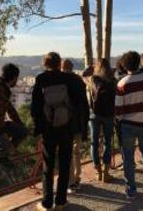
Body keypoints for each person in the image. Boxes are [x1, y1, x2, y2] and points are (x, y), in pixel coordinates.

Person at [32, 52, 81, 211]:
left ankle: (47, 203)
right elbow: (76, 103)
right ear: (59, 63)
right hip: (66, 127)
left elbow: (36, 107)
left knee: (48, 165)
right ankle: (61, 201)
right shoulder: (67, 79)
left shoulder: (41, 79)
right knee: (65, 163)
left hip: (48, 129)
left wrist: (39, 128)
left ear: (45, 63)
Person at [115, 51, 143, 199]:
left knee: (128, 158)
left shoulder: (122, 83)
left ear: (124, 65)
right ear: (138, 62)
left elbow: (119, 110)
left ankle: (131, 190)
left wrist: (123, 118)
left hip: (128, 125)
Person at [86, 59, 117, 182]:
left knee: (94, 143)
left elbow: (88, 96)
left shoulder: (92, 80)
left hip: (94, 115)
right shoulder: (113, 81)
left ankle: (97, 171)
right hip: (109, 115)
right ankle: (106, 173)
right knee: (107, 142)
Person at [61, 59, 90, 192]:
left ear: (61, 67)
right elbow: (85, 104)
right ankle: (77, 178)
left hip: (63, 122)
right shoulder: (78, 81)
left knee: (66, 152)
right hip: (77, 122)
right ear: (72, 67)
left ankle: (70, 181)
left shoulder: (58, 80)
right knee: (76, 151)